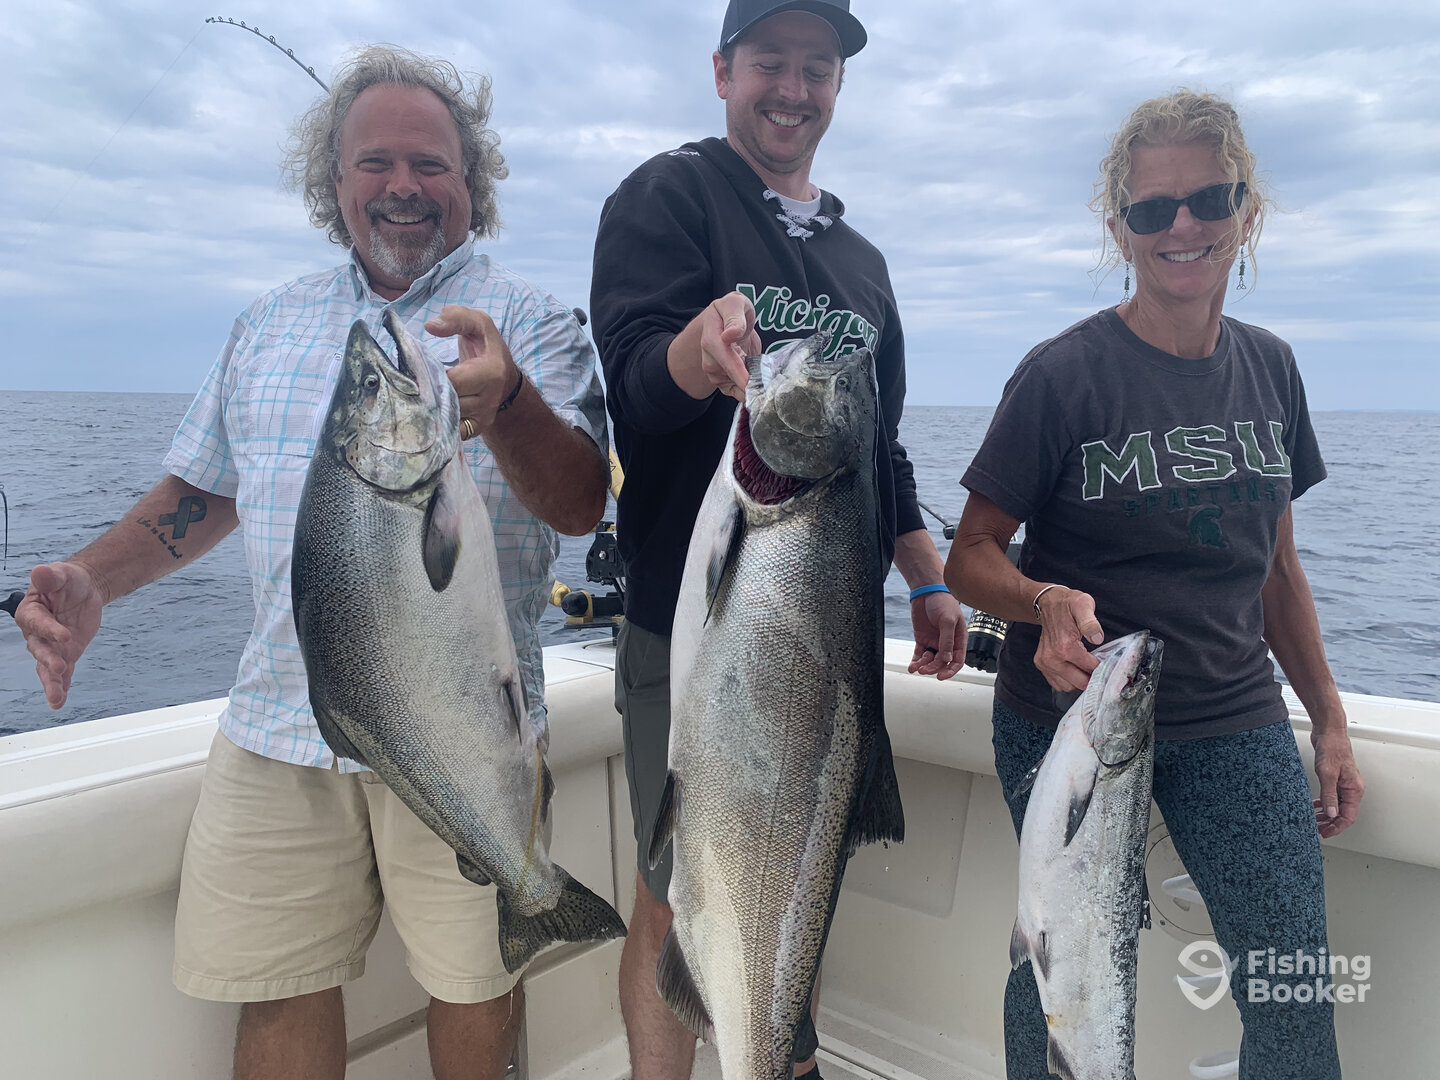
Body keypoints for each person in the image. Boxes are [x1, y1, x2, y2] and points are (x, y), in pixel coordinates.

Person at [15, 46, 608, 1080]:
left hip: (466, 727)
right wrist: (92, 579)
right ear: (332, 183)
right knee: (279, 987)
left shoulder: (534, 321)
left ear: (473, 183)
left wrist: (510, 403)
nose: (402, 185)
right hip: (277, 726)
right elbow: (205, 493)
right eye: (374, 163)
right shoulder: (269, 321)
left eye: (430, 164)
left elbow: (580, 502)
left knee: (473, 989)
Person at [944, 89, 1364, 1079]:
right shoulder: (1062, 375)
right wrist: (1042, 600)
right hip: (1073, 726)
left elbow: (1279, 571)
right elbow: (971, 556)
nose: (1183, 226)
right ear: (1120, 228)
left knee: (1294, 991)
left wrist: (1330, 721)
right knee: (1058, 969)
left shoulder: (1273, 370)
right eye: (1152, 209)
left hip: (1231, 714)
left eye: (1209, 199)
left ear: (1245, 211)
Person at [589, 3, 966, 1077]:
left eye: (817, 68)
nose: (794, 90)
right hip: (696, 621)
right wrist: (692, 355)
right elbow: (633, 381)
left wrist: (927, 579)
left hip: (830, 641)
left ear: (839, 85)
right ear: (722, 71)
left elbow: (878, 447)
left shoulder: (863, 262)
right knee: (678, 893)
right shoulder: (669, 197)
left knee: (792, 888)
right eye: (770, 63)